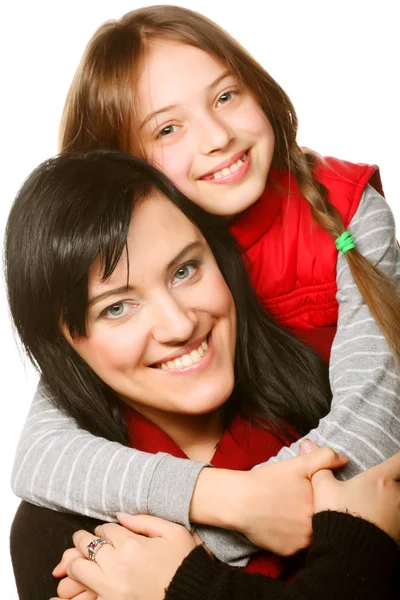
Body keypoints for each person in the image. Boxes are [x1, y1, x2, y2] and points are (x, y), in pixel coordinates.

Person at [11, 5, 400, 566]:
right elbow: (44, 456)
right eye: (168, 128)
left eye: (225, 96)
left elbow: (376, 416)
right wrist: (227, 500)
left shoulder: (347, 214)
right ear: (120, 170)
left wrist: (198, 553)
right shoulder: (134, 273)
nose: (218, 136)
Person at [6, 151, 400, 600]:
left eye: (184, 270)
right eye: (117, 307)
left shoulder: (344, 394)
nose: (179, 325)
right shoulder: (57, 532)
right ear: (63, 346)